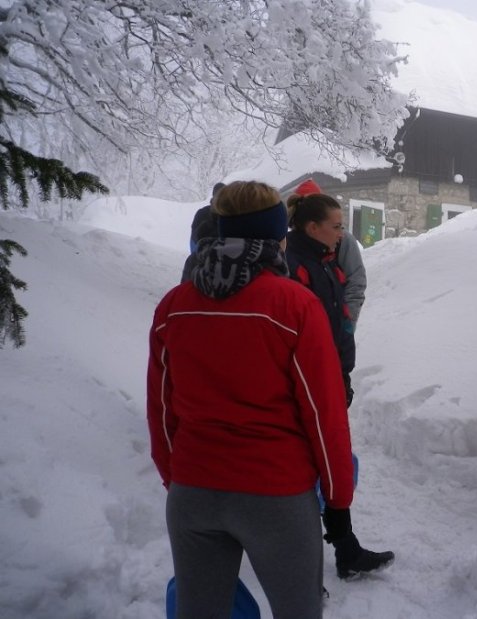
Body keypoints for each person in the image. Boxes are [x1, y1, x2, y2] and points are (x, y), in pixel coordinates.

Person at [147, 181, 353, 618]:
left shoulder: (173, 305)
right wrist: (337, 496)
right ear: (276, 234)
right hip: (275, 494)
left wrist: (177, 477)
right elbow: (323, 414)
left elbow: (161, 410)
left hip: (193, 494)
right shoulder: (294, 304)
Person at [285, 191, 394, 579]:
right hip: (312, 384)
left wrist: (342, 366)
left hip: (331, 375)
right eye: (336, 226)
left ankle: (344, 550)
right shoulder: (294, 265)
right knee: (315, 466)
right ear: (313, 228)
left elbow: (338, 317)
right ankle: (303, 564)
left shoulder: (323, 261)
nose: (342, 234)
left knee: (333, 465)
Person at [289, 178, 367, 327]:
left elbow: (355, 283)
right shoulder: (287, 250)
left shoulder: (343, 241)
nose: (339, 233)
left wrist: (347, 324)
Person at [180, 181, 224, 283]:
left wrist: (196, 256)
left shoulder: (202, 213)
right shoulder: (203, 213)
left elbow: (193, 239)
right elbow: (194, 238)